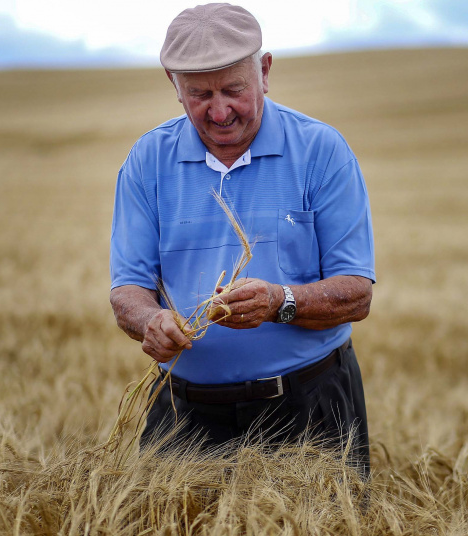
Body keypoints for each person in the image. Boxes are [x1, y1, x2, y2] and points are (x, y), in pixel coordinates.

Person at [108, 3, 375, 477]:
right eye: (199, 94)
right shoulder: (146, 161)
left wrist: (279, 301)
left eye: (234, 89)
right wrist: (151, 321)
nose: (220, 110)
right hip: (184, 415)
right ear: (172, 83)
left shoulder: (321, 150)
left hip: (309, 407)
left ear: (265, 71)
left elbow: (356, 294)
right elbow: (127, 290)